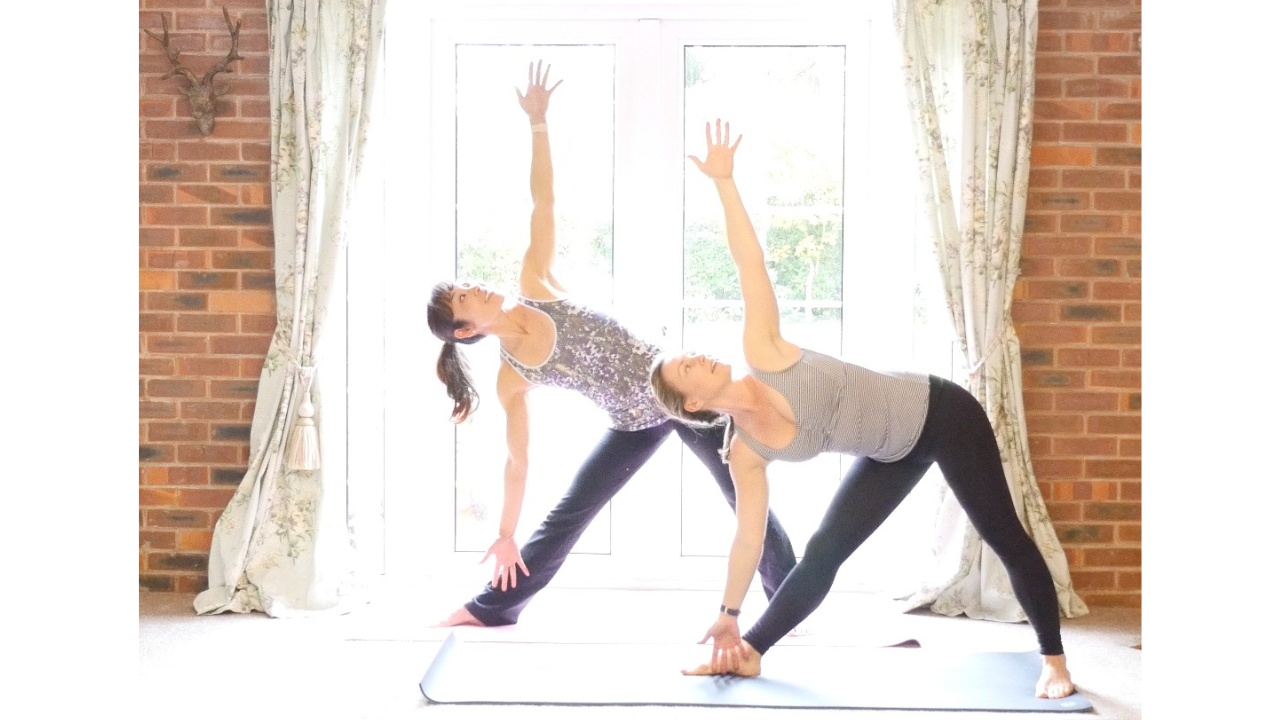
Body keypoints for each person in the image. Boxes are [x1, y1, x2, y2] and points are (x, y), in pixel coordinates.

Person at [649, 119, 1075, 699]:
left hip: (941, 413)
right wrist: (727, 610)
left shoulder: (764, 353)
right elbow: (747, 538)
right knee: (824, 551)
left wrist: (724, 182)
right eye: (686, 366)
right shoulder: (744, 453)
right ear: (693, 402)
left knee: (1002, 532)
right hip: (888, 451)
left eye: (691, 353)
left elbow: (750, 263)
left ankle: (1054, 659)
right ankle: (747, 650)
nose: (698, 354)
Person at [426, 63, 797, 628]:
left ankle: (793, 602)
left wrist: (539, 123)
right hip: (631, 422)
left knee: (747, 500)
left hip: (684, 393)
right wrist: (504, 535)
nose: (474, 285)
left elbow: (542, 203)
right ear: (466, 331)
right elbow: (517, 460)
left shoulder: (536, 284)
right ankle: (492, 609)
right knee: (568, 514)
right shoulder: (511, 376)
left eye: (466, 283)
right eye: (464, 297)